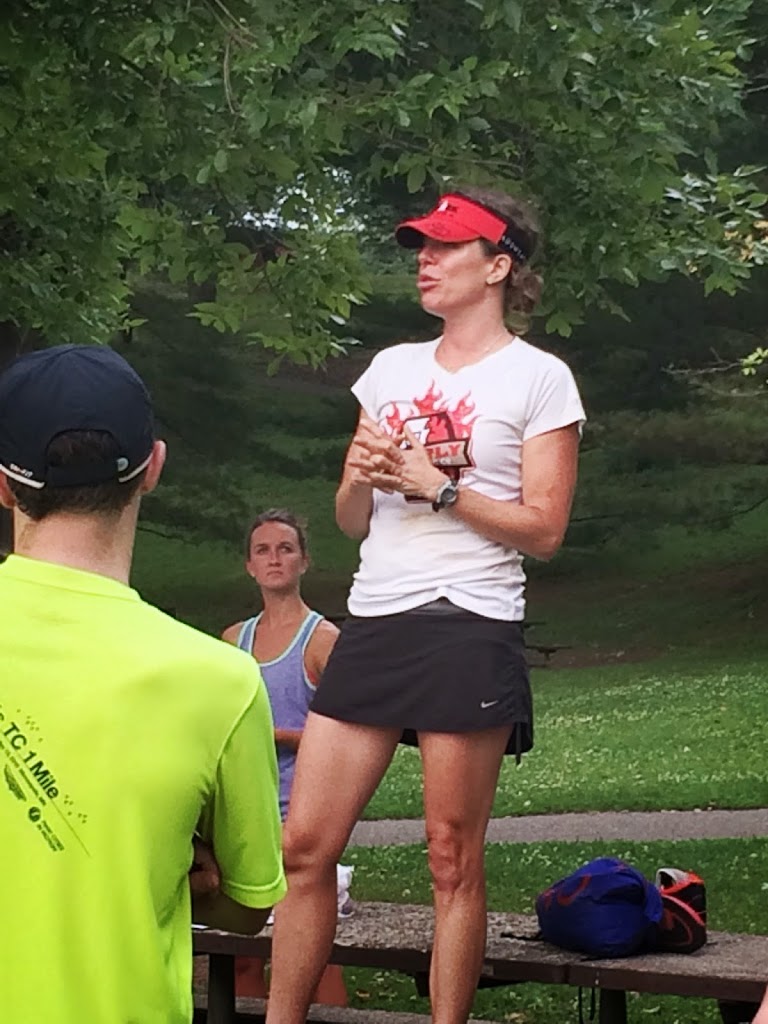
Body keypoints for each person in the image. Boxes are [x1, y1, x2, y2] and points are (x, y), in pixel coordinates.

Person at [265, 186, 586, 1024]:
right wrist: (362, 480)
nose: (426, 260)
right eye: (422, 246)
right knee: (304, 848)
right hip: (376, 619)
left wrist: (438, 487)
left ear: (499, 266)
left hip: (468, 623)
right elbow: (350, 519)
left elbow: (545, 530)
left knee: (450, 857)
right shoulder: (391, 370)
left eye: (447, 247)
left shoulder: (539, 379)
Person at [0, 345, 286, 1024]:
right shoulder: (221, 681)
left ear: (5, 485)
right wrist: (185, 876)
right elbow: (249, 906)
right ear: (153, 467)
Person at [222, 508, 348, 1005]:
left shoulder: (323, 641)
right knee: (242, 957)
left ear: (303, 561)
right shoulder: (233, 641)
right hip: (247, 818)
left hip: (304, 819)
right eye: (263, 550)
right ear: (249, 565)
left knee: (314, 959)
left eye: (285, 549)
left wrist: (276, 735)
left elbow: (346, 739)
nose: (274, 559)